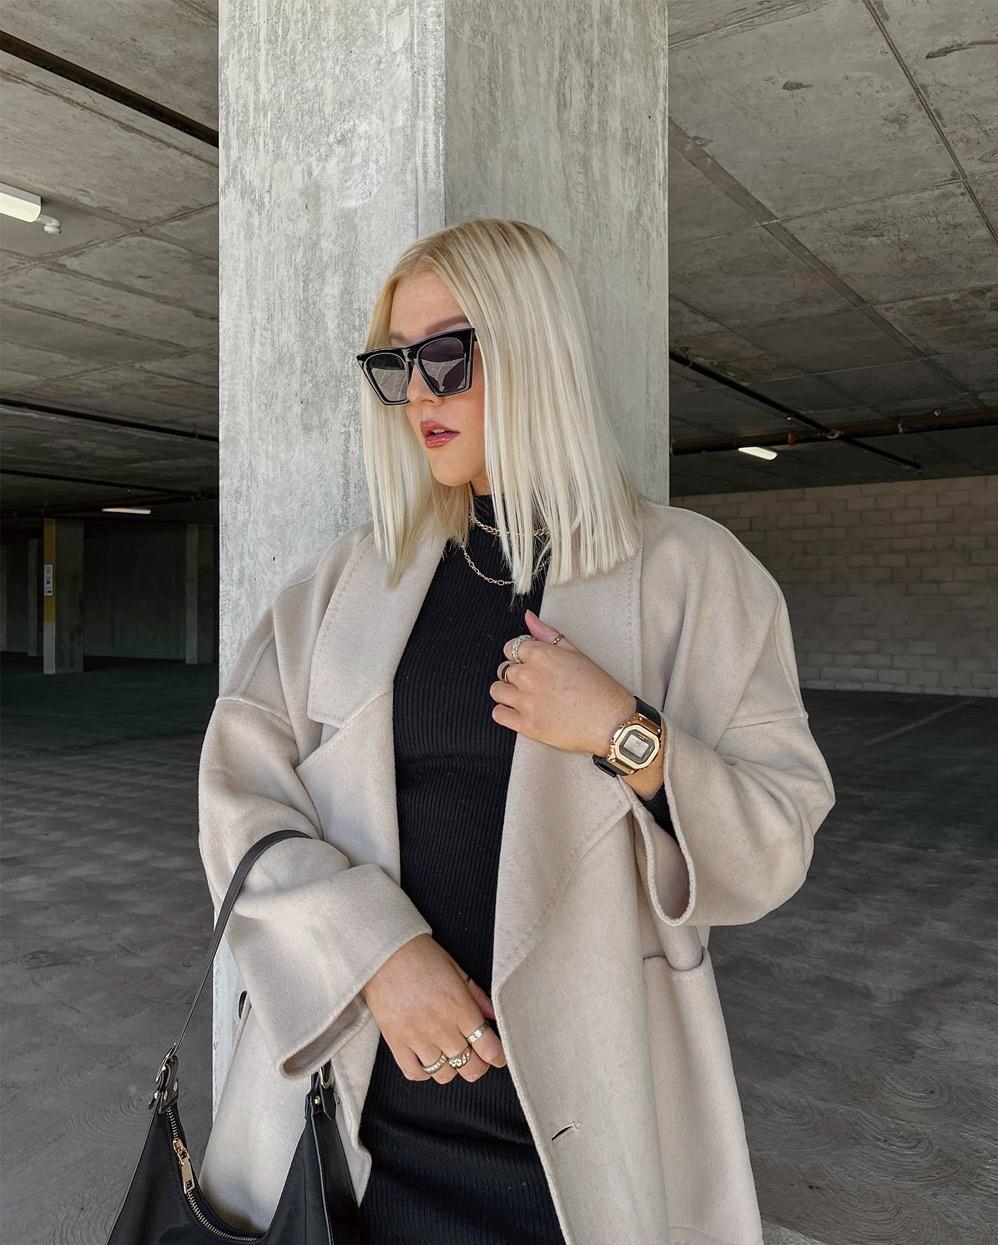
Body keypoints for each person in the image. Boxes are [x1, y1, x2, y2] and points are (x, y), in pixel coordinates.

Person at [196, 217, 836, 1245]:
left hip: (583, 1142)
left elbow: (773, 844)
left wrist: (623, 731)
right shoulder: (346, 583)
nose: (419, 394)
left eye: (447, 356)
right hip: (354, 1129)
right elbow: (238, 794)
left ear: (534, 345)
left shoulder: (692, 575)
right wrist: (374, 953)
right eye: (395, 365)